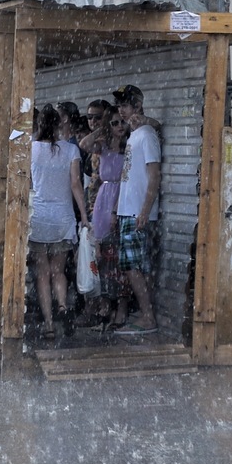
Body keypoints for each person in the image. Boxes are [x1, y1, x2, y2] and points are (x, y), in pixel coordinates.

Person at [29, 104, 90, 340]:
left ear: (39, 125)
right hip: (63, 218)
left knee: (42, 273)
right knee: (59, 271)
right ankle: (63, 305)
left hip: (39, 219)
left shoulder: (31, 149)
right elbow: (76, 184)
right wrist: (83, 216)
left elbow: (27, 184)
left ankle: (48, 324)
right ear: (58, 125)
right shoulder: (71, 150)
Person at [111, 84, 161, 335]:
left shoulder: (147, 134)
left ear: (137, 106)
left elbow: (154, 176)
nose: (121, 109)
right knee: (133, 266)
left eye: (125, 104)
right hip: (128, 211)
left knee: (135, 267)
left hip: (137, 212)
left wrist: (144, 211)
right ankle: (145, 314)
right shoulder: (134, 135)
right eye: (119, 105)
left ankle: (148, 316)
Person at [78, 103, 132, 328]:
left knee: (118, 258)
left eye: (121, 122)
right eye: (115, 123)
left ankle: (121, 307)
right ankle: (102, 306)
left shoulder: (129, 147)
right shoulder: (104, 146)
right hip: (103, 198)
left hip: (120, 197)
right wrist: (102, 129)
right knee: (100, 255)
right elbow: (84, 144)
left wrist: (114, 210)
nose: (119, 126)